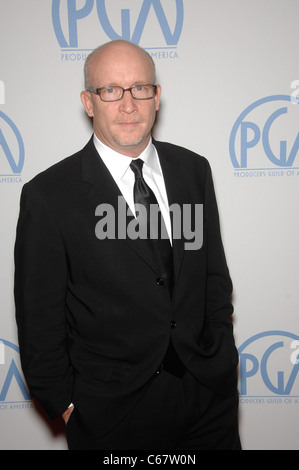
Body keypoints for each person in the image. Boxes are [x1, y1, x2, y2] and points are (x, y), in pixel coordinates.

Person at [14, 40, 241, 450]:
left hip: (207, 401)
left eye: (139, 88)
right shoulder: (49, 195)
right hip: (112, 414)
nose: (128, 104)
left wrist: (219, 357)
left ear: (157, 97)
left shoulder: (193, 170)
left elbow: (212, 276)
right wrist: (68, 406)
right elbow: (38, 322)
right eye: (110, 90)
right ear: (88, 102)